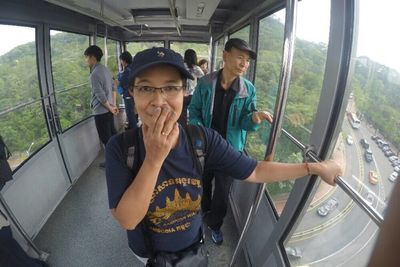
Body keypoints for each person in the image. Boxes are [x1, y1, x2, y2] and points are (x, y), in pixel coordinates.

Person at [105, 47, 342, 266]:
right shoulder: (121, 147)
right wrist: (154, 159)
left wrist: (313, 167)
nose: (158, 101)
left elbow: (256, 170)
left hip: (193, 244)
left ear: (184, 92)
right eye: (146, 88)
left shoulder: (202, 139)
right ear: (132, 94)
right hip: (148, 253)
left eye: (170, 87)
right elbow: (128, 220)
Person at [188, 38, 273, 245]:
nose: (244, 63)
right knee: (203, 183)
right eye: (240, 57)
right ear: (226, 55)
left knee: (223, 193)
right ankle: (203, 214)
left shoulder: (248, 89)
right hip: (206, 146)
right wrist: (202, 134)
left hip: (230, 150)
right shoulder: (206, 83)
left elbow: (246, 122)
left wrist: (254, 118)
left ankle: (215, 225)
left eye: (247, 61)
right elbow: (194, 111)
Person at [84, 45, 118, 168]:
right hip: (109, 110)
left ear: (93, 57)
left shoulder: (94, 74)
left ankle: (113, 162)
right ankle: (119, 157)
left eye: (87, 57)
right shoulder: (105, 69)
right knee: (113, 135)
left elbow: (100, 96)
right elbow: (114, 86)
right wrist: (113, 106)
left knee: (106, 139)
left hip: (101, 111)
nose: (86, 60)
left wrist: (110, 107)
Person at [178, 49, 204, 125]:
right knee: (193, 113)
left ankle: (181, 129)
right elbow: (203, 79)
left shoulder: (181, 66)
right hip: (193, 94)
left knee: (182, 113)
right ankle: (191, 129)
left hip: (182, 93)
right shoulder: (197, 68)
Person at [118, 51, 137, 130]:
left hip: (128, 96)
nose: (121, 62)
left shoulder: (126, 72)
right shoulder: (133, 68)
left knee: (130, 114)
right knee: (134, 113)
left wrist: (117, 81)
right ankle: (132, 126)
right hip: (134, 94)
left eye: (121, 60)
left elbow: (122, 86)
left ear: (124, 60)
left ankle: (133, 132)